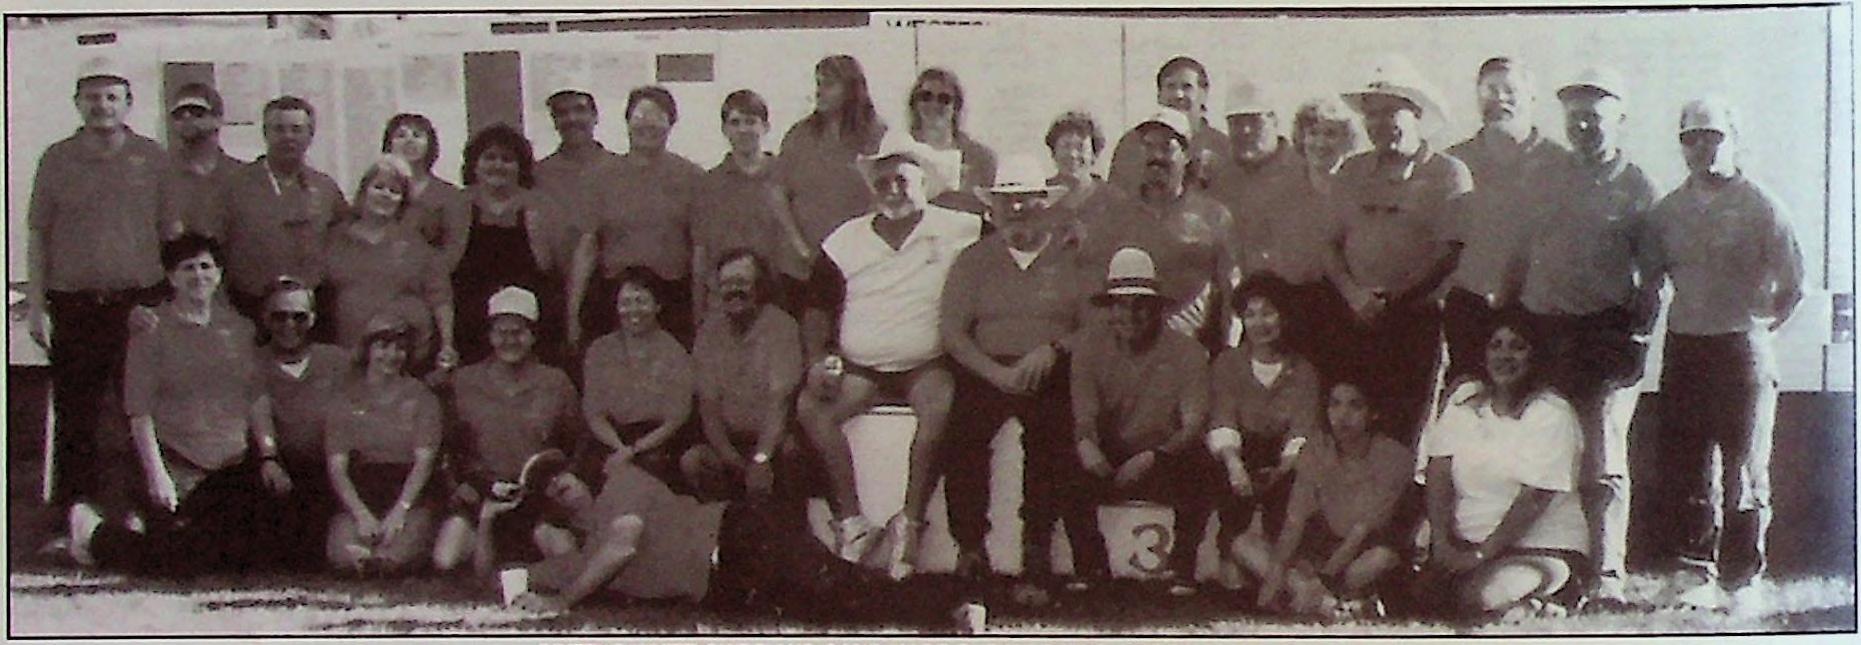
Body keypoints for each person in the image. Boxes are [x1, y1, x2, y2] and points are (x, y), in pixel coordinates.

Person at [476, 451, 987, 632]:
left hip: (738, 534)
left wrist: (564, 601)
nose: (559, 490)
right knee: (840, 605)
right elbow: (492, 582)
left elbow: (624, 545)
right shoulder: (578, 562)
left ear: (579, 475)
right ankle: (951, 604)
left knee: (839, 590)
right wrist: (486, 520)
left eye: (561, 478)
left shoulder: (622, 486)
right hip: (729, 587)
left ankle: (957, 602)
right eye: (547, 492)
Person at [1642, 97, 1803, 609]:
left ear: (1733, 140)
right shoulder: (1667, 212)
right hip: (1685, 346)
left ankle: (1741, 578)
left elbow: (1793, 286)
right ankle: (1695, 571)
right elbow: (1650, 280)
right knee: (1687, 463)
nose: (1701, 147)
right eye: (1690, 138)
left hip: (1741, 349)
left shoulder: (1762, 206)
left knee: (1744, 466)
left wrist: (1758, 331)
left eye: (1712, 136)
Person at [797, 137, 981, 579]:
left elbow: (1017, 234)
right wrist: (818, 359)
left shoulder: (962, 228)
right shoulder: (845, 239)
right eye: (883, 182)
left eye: (902, 180)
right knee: (811, 407)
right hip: (861, 368)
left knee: (940, 408)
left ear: (924, 182)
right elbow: (816, 307)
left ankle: (909, 525)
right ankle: (852, 523)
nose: (893, 190)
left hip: (926, 364)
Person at [1523, 67, 1662, 605]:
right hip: (1546, 332)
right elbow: (1521, 251)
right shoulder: (1545, 176)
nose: (1584, 126)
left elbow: (1653, 277)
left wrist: (1638, 338)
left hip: (1604, 335)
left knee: (1602, 457)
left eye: (1595, 117)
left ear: (1619, 120)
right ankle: (1553, 570)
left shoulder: (1637, 186)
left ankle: (1607, 574)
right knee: (1545, 455)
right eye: (1575, 117)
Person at [63, 234, 282, 574]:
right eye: (187, 268)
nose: (199, 275)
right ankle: (93, 535)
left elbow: (256, 398)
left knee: (245, 557)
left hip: (231, 468)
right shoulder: (151, 329)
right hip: (178, 465)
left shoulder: (240, 329)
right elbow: (139, 411)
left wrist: (269, 457)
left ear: (219, 274)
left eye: (206, 266)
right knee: (182, 560)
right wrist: (157, 476)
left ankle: (114, 539)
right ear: (171, 277)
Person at [26, 60, 176, 519]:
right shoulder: (56, 159)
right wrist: (36, 305)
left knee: (143, 407)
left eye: (112, 97)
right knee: (77, 414)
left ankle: (147, 510)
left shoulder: (152, 158)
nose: (102, 106)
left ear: (128, 104)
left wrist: (170, 303)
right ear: (77, 103)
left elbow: (171, 233)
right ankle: (73, 515)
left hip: (139, 303)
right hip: (76, 306)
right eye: (92, 97)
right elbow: (38, 234)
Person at [938, 158, 1094, 600]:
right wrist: (996, 373)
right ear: (993, 210)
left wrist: (1054, 349)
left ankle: (1036, 547)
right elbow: (952, 331)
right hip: (987, 365)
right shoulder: (973, 259)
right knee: (962, 435)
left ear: (1047, 205)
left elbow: (1094, 326)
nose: (1018, 211)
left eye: (1028, 201)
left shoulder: (1072, 257)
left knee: (1052, 438)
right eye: (1007, 203)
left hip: (1051, 364)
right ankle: (970, 547)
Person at [1327, 57, 1472, 444]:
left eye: (1391, 112)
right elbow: (1329, 244)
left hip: (1415, 321)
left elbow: (1449, 252)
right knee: (1349, 423)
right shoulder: (1350, 171)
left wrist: (1392, 299)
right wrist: (1355, 296)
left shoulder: (1448, 172)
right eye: (1371, 114)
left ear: (1417, 113)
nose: (1379, 122)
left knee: (1405, 425)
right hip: (1353, 315)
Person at [1416, 313, 1589, 619]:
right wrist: (1441, 543)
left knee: (1478, 599)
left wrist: (1481, 554)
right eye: (1495, 345)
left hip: (1537, 548)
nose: (1504, 356)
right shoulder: (1465, 401)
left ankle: (1550, 598)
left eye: (1517, 347)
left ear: (1536, 356)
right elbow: (1439, 472)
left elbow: (1533, 500)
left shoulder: (1552, 414)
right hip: (1466, 544)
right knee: (1417, 597)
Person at [1066, 247, 1217, 597]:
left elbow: (1193, 424)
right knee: (1065, 461)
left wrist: (1154, 456)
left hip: (1164, 455)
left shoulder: (1187, 352)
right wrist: (1086, 442)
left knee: (1202, 465)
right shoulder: (1088, 347)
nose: (1130, 315)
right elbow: (1084, 412)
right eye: (1120, 305)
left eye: (1140, 305)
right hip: (1110, 453)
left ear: (1157, 308)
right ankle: (1090, 565)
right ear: (1109, 308)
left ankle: (1182, 566)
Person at [432, 287, 586, 572]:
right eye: (501, 332)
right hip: (482, 493)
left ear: (533, 335)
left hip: (538, 496)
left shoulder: (556, 382)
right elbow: (450, 448)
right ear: (490, 336)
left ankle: (527, 553)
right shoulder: (464, 381)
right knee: (445, 559)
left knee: (566, 559)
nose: (510, 340)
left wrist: (564, 479)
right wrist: (469, 485)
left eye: (518, 332)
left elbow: (577, 443)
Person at [1234, 378, 1414, 616]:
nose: (1343, 415)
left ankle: (1321, 598)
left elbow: (1360, 532)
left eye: (1355, 406)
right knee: (1245, 545)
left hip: (1364, 551)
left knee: (1380, 559)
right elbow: (1294, 521)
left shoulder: (1394, 457)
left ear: (1373, 414)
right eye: (1335, 405)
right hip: (1320, 549)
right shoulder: (1316, 449)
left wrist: (1322, 581)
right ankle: (1326, 601)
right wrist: (1273, 580)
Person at [1442, 58, 1572, 385]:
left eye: (1510, 90)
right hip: (1469, 307)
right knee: (1466, 400)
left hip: (1537, 311)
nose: (1499, 99)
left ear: (1531, 96)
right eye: (1490, 90)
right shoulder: (1454, 163)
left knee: (1534, 404)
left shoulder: (1561, 164)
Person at [1205, 274, 1323, 570]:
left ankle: (1280, 569)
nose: (1260, 323)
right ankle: (1231, 557)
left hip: (1285, 465)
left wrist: (1281, 471)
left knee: (1294, 497)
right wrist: (1235, 466)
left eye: (1268, 313)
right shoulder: (1228, 363)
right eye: (1251, 315)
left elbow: (1302, 430)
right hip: (1235, 459)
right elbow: (1222, 418)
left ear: (1284, 316)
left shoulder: (1304, 371)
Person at [1208, 80, 1336, 351]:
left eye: (1254, 121)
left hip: (1308, 307)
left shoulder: (1306, 168)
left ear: (1275, 120)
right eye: (1236, 122)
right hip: (1248, 310)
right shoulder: (1221, 179)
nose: (1245, 131)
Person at [451, 123, 590, 367]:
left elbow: (564, 270)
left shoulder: (544, 207)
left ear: (521, 167)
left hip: (532, 327)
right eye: (489, 157)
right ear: (474, 164)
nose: (498, 165)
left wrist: (570, 320)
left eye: (507, 159)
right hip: (470, 327)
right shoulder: (454, 206)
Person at [580, 86, 705, 346]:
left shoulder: (692, 177)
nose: (648, 124)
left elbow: (700, 250)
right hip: (614, 294)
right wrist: (573, 313)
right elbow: (587, 248)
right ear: (627, 122)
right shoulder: (601, 176)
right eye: (640, 116)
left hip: (672, 296)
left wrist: (699, 313)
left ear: (671, 123)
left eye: (657, 117)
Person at [324, 312, 445, 575]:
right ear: (368, 350)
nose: (391, 355)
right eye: (383, 346)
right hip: (362, 488)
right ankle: (363, 559)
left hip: (408, 490)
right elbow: (337, 466)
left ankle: (386, 560)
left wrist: (400, 510)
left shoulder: (422, 397)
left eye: (400, 348)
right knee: (342, 555)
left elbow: (424, 462)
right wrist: (360, 514)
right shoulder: (345, 398)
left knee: (399, 555)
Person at [682, 250, 805, 503]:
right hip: (729, 444)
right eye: (726, 284)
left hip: (774, 441)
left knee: (792, 454)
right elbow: (708, 406)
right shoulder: (709, 331)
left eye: (742, 282)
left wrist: (761, 459)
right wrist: (732, 460)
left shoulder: (782, 326)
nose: (733, 290)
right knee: (693, 462)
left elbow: (779, 402)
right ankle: (720, 522)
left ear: (759, 287)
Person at [218, 95, 349, 325]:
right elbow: (214, 249)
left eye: (296, 129)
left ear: (310, 135)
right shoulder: (234, 186)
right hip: (250, 307)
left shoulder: (326, 188)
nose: (288, 136)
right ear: (265, 133)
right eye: (279, 129)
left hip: (311, 308)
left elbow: (345, 244)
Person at [323, 155, 458, 375]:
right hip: (346, 353)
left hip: (402, 357)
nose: (385, 195)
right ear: (363, 192)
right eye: (379, 187)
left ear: (402, 202)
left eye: (395, 191)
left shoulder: (416, 244)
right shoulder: (335, 238)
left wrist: (447, 345)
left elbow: (440, 297)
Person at [1120, 108, 1240, 351]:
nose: (1156, 155)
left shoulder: (1214, 216)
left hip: (1194, 350)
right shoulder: (1119, 214)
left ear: (1187, 154)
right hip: (1128, 350)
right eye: (1148, 146)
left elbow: (1231, 292)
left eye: (1167, 147)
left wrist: (1229, 351)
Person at [252, 276, 351, 570]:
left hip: (332, 468)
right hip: (279, 469)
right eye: (279, 316)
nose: (289, 325)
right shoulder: (252, 362)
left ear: (313, 319)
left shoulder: (337, 361)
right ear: (265, 318)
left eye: (299, 317)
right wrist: (269, 458)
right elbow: (258, 414)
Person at [692, 90, 812, 317]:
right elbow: (701, 252)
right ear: (724, 129)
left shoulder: (787, 176)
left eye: (750, 122)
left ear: (765, 127)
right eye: (735, 122)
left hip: (779, 297)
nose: (743, 130)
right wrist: (698, 312)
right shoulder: (708, 184)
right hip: (725, 300)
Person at [580, 268, 695, 488]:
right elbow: (594, 413)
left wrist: (633, 451)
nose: (633, 310)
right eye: (625, 303)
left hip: (657, 442)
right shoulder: (599, 349)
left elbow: (676, 418)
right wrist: (619, 449)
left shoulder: (675, 352)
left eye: (641, 302)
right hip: (610, 438)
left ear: (657, 306)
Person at [775, 54, 889, 251]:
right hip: (807, 254)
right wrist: (799, 246)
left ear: (851, 90)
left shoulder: (877, 135)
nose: (819, 92)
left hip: (860, 252)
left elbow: (886, 196)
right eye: (818, 84)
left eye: (828, 85)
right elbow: (778, 194)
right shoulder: (799, 135)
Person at [533, 88, 617, 350]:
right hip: (553, 291)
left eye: (579, 110)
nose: (571, 119)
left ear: (595, 116)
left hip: (610, 290)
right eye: (562, 113)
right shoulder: (538, 175)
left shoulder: (620, 169)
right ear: (554, 121)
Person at [1044, 111, 1146, 279]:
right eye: (1065, 146)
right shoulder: (1039, 198)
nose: (1072, 154)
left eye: (1080, 147)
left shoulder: (1115, 202)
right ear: (1053, 153)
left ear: (1094, 155)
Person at [1106, 56, 1230, 193]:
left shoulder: (1223, 147)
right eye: (1170, 86)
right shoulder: (1132, 143)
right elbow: (1116, 198)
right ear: (1159, 95)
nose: (1178, 95)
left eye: (1187, 87)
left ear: (1203, 94)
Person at [382, 113, 472, 275]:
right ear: (389, 145)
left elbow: (452, 250)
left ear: (430, 145)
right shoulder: (377, 192)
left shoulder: (450, 196)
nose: (409, 140)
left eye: (417, 135)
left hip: (432, 281)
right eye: (401, 135)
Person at [907, 67, 998, 215]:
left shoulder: (982, 158)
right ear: (914, 103)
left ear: (956, 107)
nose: (934, 104)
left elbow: (987, 208)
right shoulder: (899, 151)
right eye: (925, 96)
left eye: (944, 99)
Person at [165, 82, 242, 241]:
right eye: (178, 114)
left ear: (218, 119)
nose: (186, 117)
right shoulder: (159, 175)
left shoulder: (243, 176)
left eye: (197, 112)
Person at [1291, 97, 1364, 183]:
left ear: (1347, 139)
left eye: (1330, 135)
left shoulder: (1359, 182)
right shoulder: (1286, 182)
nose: (1320, 144)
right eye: (1313, 133)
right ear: (1302, 137)